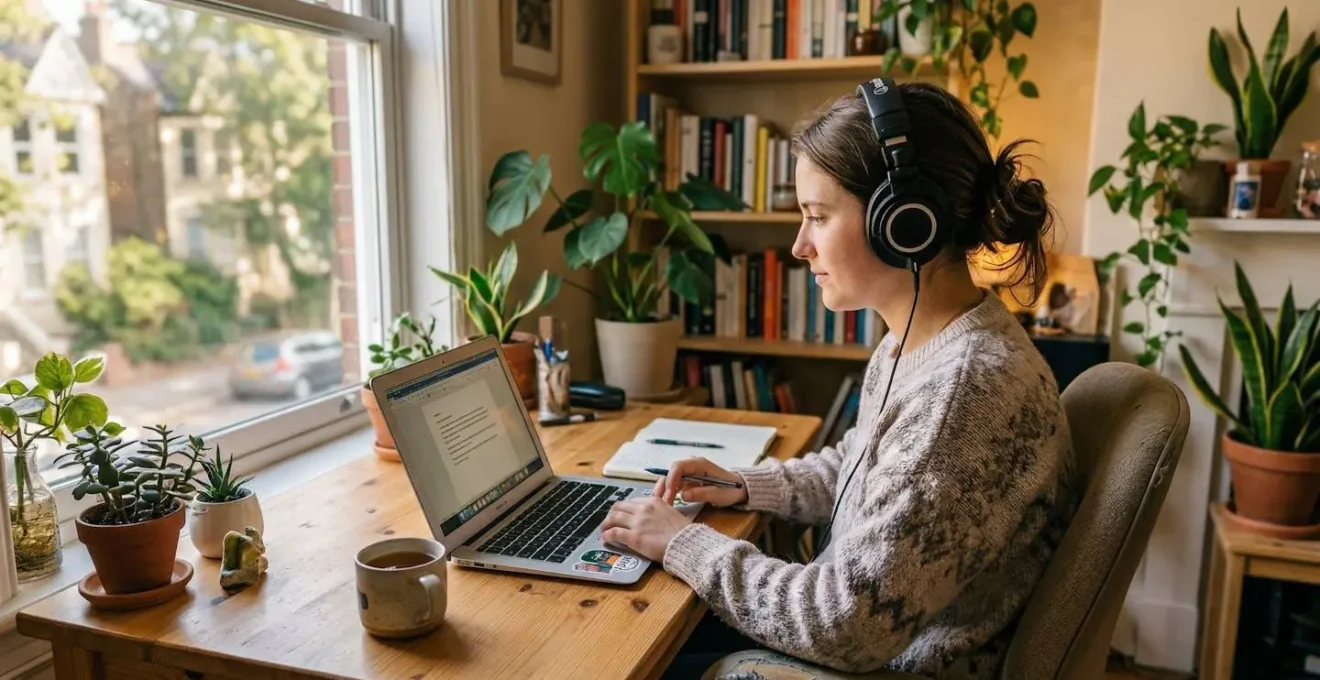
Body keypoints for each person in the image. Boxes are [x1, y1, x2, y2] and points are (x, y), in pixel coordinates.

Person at [599, 80, 1078, 679]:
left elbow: (846, 623)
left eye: (818, 217)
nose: (799, 247)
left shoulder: (963, 395)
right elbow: (866, 468)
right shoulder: (926, 341)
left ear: (905, 223)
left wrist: (683, 543)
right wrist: (747, 486)